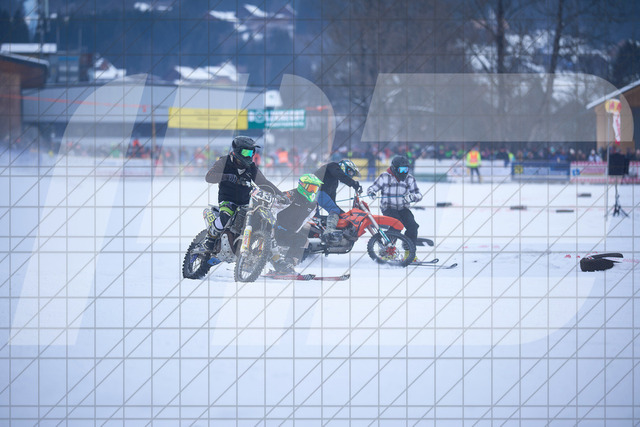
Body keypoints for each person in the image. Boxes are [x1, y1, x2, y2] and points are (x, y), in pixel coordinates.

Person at [202, 136, 283, 264]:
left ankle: (267, 256)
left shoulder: (251, 167)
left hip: (246, 201)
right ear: (237, 150)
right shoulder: (224, 161)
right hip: (227, 199)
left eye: (251, 152)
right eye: (246, 152)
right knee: (226, 216)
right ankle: (210, 238)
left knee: (259, 219)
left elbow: (264, 183)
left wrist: (280, 194)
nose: (249, 155)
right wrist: (226, 176)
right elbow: (209, 177)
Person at [269, 173, 324, 275]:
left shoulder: (313, 205)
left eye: (315, 189)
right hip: (275, 229)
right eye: (311, 188)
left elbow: (305, 220)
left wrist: (295, 232)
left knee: (303, 240)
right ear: (302, 185)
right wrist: (271, 226)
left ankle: (288, 264)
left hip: (288, 232)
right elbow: (273, 207)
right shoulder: (291, 195)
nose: (313, 191)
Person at [367, 155, 422, 250]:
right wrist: (371, 192)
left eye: (406, 169)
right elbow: (372, 188)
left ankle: (409, 251)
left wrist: (412, 197)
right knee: (397, 224)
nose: (404, 172)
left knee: (413, 226)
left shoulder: (410, 179)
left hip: (403, 208)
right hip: (388, 207)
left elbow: (418, 194)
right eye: (401, 170)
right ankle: (388, 249)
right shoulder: (384, 177)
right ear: (394, 168)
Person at [314, 159, 363, 243]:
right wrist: (353, 183)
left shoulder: (334, 182)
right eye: (350, 172)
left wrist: (342, 214)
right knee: (334, 210)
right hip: (314, 192)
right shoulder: (333, 166)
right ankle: (329, 231)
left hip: (317, 195)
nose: (350, 175)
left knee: (337, 213)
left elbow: (332, 200)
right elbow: (340, 175)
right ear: (344, 166)